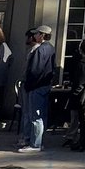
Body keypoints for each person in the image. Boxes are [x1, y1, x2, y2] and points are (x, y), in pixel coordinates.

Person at [18, 25, 56, 154]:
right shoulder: (50, 48)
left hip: (36, 86)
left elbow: (35, 70)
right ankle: (38, 141)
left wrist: (29, 84)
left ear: (42, 35)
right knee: (41, 115)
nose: (34, 36)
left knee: (35, 116)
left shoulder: (40, 50)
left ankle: (35, 144)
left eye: (37, 34)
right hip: (45, 85)